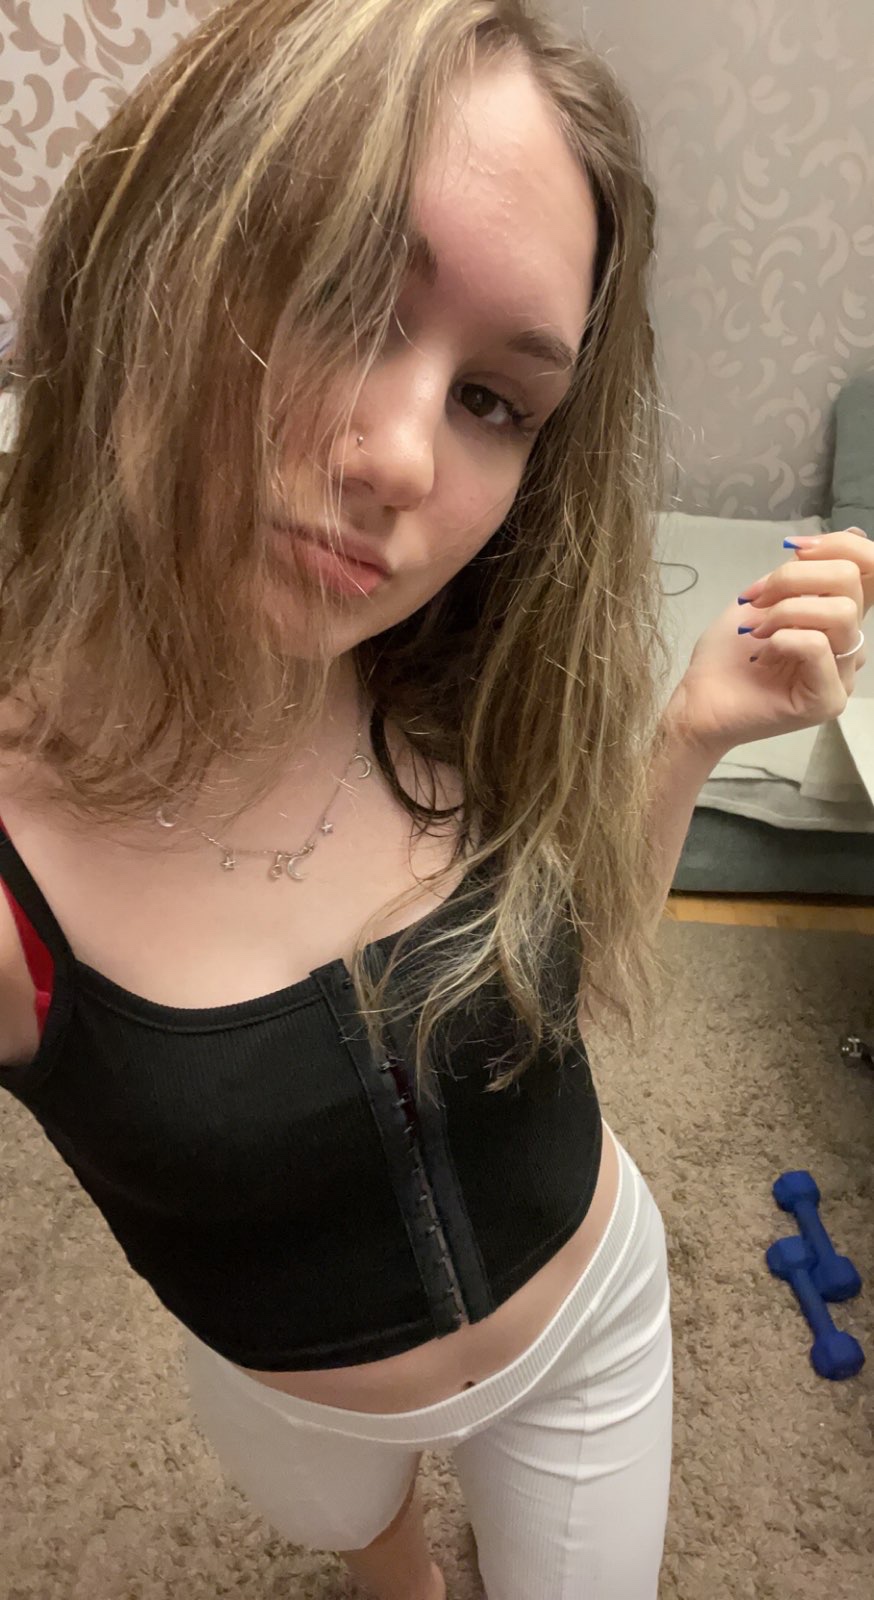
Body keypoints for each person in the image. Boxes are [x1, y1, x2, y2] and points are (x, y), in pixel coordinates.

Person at [0, 3, 869, 1597]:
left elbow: (566, 993)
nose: (403, 459)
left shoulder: (465, 675)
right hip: (294, 1402)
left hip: (587, 1328)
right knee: (362, 1550)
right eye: (340, 295)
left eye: (493, 402)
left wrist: (690, 732)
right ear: (150, 246)